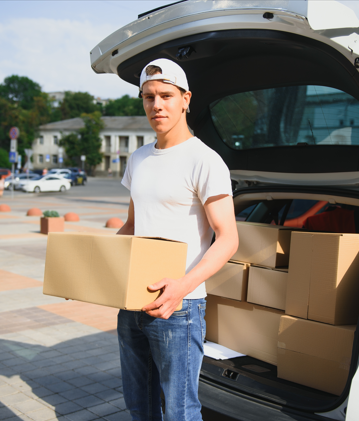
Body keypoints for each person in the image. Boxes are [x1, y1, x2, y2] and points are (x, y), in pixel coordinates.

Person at [116, 58, 239, 421]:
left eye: (166, 95)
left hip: (180, 308)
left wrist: (182, 287)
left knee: (180, 412)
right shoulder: (138, 159)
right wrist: (94, 268)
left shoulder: (205, 160)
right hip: (133, 303)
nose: (157, 105)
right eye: (149, 96)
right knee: (139, 406)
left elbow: (228, 239)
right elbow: (131, 226)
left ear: (186, 99)